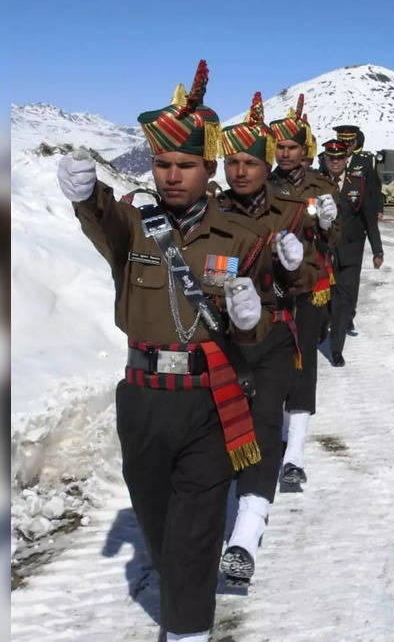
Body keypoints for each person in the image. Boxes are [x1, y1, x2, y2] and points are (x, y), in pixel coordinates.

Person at [55, 61, 302, 641]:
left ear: (207, 169)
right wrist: (86, 193)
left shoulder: (241, 238)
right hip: (142, 398)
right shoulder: (134, 228)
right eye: (163, 164)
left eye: (185, 165)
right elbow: (100, 218)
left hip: (209, 399)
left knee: (193, 537)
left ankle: (187, 630)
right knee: (161, 527)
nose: (171, 176)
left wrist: (250, 320)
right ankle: (183, 596)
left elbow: (264, 312)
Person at [214, 92, 316, 586]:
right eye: (231, 161)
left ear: (265, 162)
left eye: (249, 161)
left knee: (261, 419)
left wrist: (297, 268)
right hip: (219, 337)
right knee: (222, 428)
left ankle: (247, 530)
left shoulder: (288, 212)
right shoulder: (209, 212)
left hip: (273, 331)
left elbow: (308, 276)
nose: (239, 171)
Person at [268, 112, 340, 490]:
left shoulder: (321, 185)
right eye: (279, 146)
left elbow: (335, 239)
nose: (284, 153)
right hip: (274, 285)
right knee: (275, 358)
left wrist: (328, 224)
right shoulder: (264, 183)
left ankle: (295, 452)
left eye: (291, 146)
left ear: (304, 151)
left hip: (311, 284)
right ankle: (279, 431)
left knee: (304, 361)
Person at [322, 139, 384, 367]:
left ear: (346, 159)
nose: (335, 162)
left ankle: (336, 349)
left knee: (342, 300)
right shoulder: (317, 183)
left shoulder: (358, 184)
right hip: (324, 252)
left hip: (350, 251)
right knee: (325, 299)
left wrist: (377, 251)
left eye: (339, 158)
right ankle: (323, 327)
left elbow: (369, 218)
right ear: (325, 159)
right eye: (331, 158)